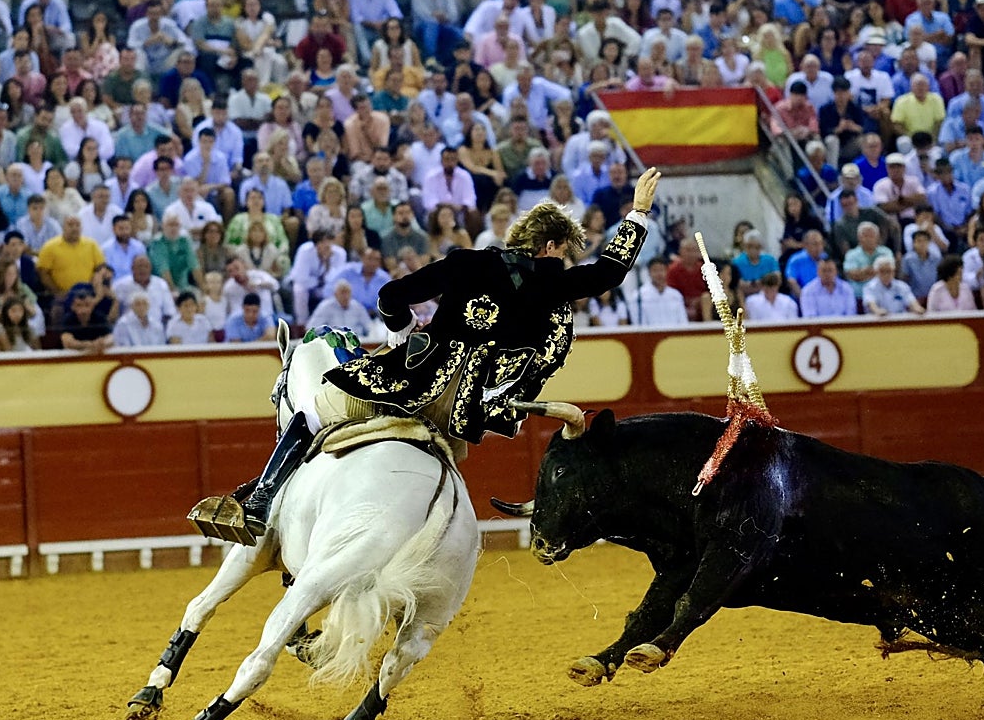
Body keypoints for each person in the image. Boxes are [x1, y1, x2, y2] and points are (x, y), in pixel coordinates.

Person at [227, 167, 662, 537]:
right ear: (549, 247)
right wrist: (638, 213)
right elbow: (611, 270)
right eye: (564, 253)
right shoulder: (555, 285)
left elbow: (390, 295)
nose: (563, 261)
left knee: (317, 410)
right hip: (466, 413)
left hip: (410, 385)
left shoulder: (465, 263)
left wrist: (404, 329)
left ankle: (264, 498)